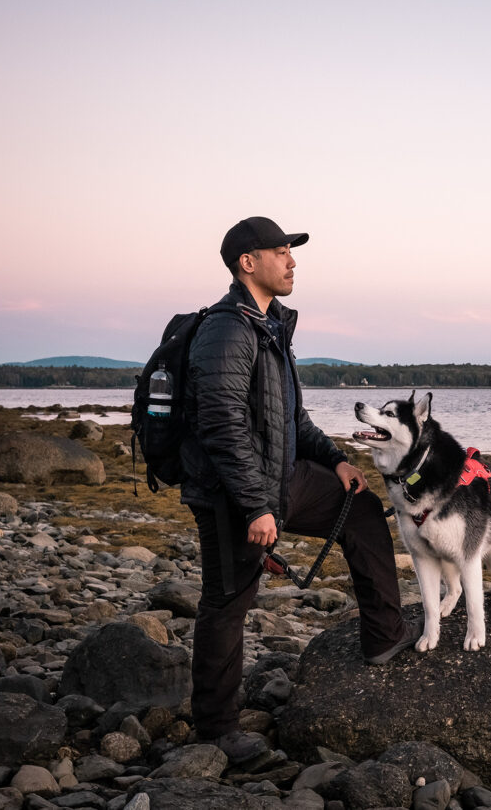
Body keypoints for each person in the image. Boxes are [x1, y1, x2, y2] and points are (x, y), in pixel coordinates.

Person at [180, 216, 420, 763]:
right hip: (231, 494)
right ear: (248, 262)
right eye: (282, 251)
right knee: (227, 602)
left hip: (284, 480)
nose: (292, 262)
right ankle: (216, 729)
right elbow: (220, 426)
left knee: (360, 508)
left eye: (291, 252)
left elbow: (293, 421)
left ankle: (385, 634)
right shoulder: (226, 330)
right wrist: (254, 507)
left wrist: (337, 462)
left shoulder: (271, 328)